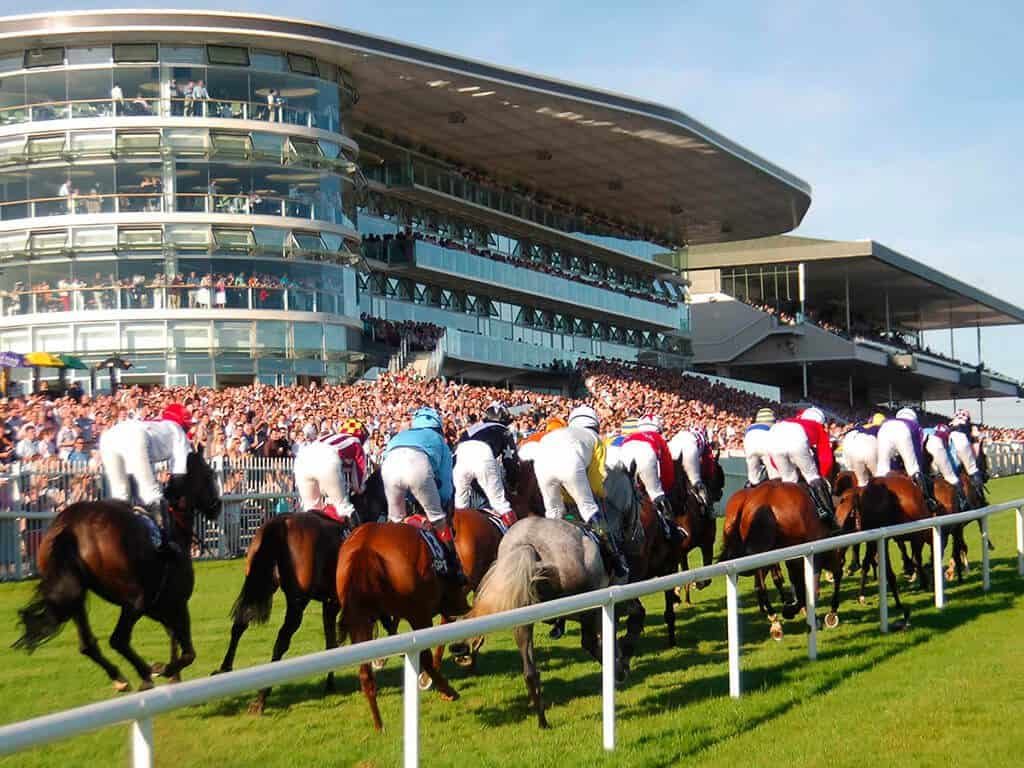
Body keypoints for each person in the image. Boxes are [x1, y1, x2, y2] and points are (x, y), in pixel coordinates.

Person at [533, 405, 628, 579]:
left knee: (553, 513)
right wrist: (600, 494)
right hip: (570, 464)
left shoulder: (560, 432)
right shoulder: (595, 438)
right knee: (589, 508)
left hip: (540, 464)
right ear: (595, 425)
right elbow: (596, 478)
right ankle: (616, 559)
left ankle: (546, 556)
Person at [97, 403, 194, 558]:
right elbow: (180, 472)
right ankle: (165, 543)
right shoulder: (177, 430)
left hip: (109, 436)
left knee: (120, 496)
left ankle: (113, 540)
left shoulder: (158, 425)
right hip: (135, 437)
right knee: (152, 494)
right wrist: (175, 496)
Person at [380, 407, 462, 582]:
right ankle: (454, 566)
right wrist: (444, 501)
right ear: (438, 426)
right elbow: (446, 480)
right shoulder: (439, 440)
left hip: (389, 468)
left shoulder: (400, 435)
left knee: (395, 520)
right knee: (438, 518)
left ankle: (387, 564)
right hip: (417, 467)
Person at [767, 406, 838, 528]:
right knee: (812, 476)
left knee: (789, 480)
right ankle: (827, 514)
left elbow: (773, 461)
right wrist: (823, 476)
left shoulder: (791, 420)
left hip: (774, 434)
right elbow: (826, 459)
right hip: (796, 438)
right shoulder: (818, 427)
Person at [453, 402, 519, 527]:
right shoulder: (504, 430)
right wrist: (513, 485)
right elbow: (511, 462)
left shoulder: (468, 430)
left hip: (461, 460)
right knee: (501, 504)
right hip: (483, 457)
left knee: (460, 505)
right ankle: (516, 539)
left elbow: (455, 456)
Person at [292, 419, 367, 524]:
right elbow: (358, 480)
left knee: (311, 508)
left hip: (302, 458)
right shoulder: (356, 441)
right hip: (327, 458)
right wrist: (360, 489)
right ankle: (356, 538)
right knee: (344, 507)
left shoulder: (329, 436)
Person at [619, 414, 676, 530]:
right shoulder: (659, 438)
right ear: (658, 428)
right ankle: (669, 528)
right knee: (656, 493)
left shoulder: (629, 437)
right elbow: (667, 470)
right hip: (646, 455)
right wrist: (665, 488)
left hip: (625, 450)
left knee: (626, 495)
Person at [876, 407, 937, 510]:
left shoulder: (890, 421)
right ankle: (927, 500)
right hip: (903, 431)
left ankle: (875, 498)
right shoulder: (915, 425)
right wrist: (918, 468)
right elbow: (918, 452)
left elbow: (892, 460)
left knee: (882, 470)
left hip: (883, 428)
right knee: (913, 469)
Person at [668, 424, 715, 518]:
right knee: (696, 481)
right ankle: (708, 509)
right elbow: (708, 463)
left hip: (672, 445)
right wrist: (707, 476)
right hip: (690, 448)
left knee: (669, 483)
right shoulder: (704, 441)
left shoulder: (681, 433)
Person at [923, 423, 966, 511]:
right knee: (952, 478)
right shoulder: (945, 436)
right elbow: (952, 460)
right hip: (937, 451)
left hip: (923, 456)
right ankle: (963, 501)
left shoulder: (925, 430)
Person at [949, 409, 986, 504]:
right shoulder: (972, 427)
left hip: (949, 440)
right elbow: (976, 449)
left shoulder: (950, 423)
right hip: (961, 441)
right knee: (972, 469)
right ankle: (980, 496)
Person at [841, 412, 884, 488]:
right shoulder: (881, 429)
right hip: (870, 449)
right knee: (880, 478)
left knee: (861, 483)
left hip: (853, 451)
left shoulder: (856, 429)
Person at [742, 407, 778, 486]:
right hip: (766, 445)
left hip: (749, 443)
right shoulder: (774, 425)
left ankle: (751, 485)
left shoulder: (749, 427)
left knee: (753, 478)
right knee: (775, 476)